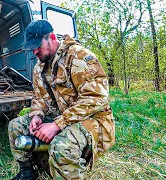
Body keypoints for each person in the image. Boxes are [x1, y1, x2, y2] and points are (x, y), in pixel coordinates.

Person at [8, 20, 115, 180]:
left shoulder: (79, 57)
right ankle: (28, 173)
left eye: (38, 46)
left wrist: (57, 124)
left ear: (52, 37)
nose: (34, 51)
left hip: (92, 120)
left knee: (61, 146)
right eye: (32, 48)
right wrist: (37, 115)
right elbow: (38, 97)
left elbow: (96, 99)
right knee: (15, 126)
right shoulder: (39, 66)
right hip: (62, 117)